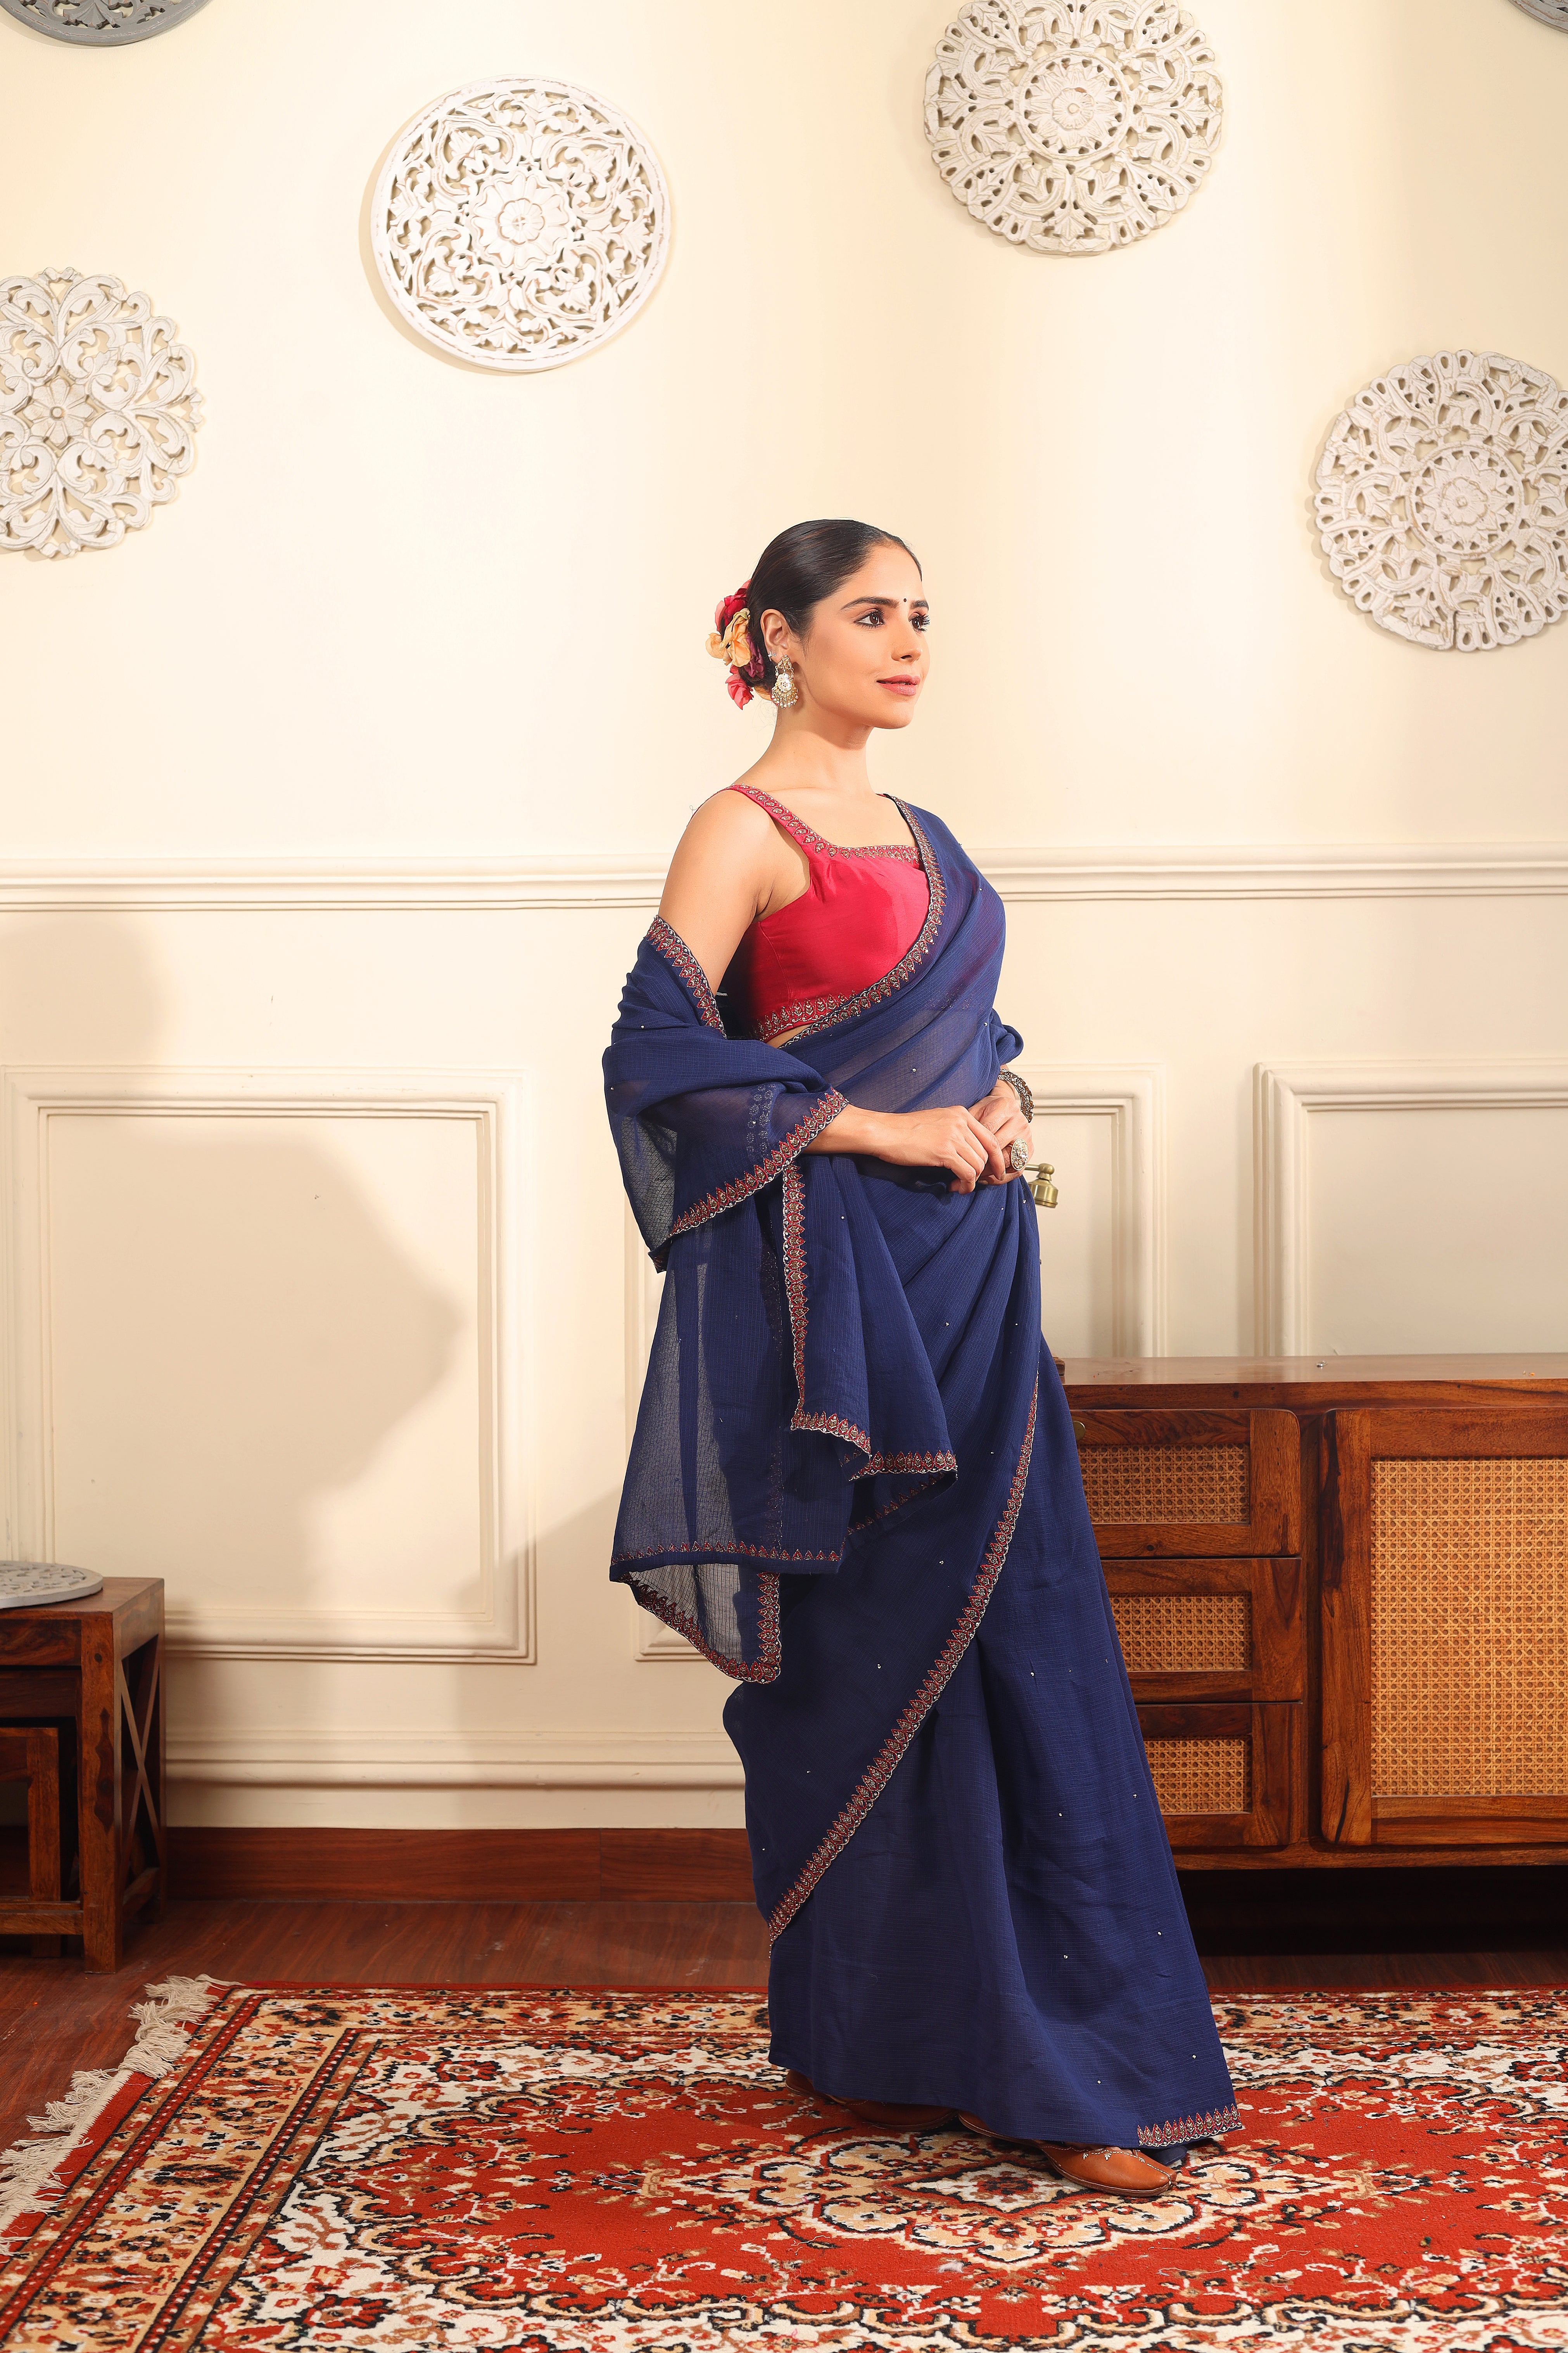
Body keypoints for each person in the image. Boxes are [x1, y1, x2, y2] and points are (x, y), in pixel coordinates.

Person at [603, 519, 1236, 2196]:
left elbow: (971, 1036)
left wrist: (1004, 1097)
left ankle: (1044, 2057)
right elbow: (656, 1053)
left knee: (1019, 1632)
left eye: (922, 617)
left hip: (973, 1275)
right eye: (872, 614)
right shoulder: (738, 830)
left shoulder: (929, 834)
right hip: (843, 1301)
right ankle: (898, 2039)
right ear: (777, 637)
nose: (907, 644)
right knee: (878, 1644)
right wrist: (884, 1128)